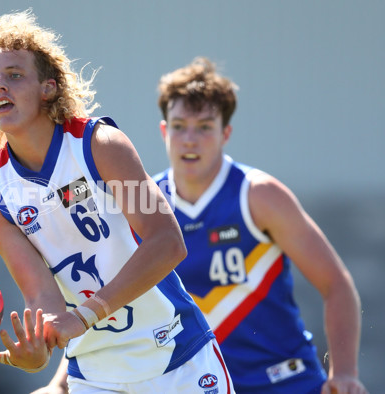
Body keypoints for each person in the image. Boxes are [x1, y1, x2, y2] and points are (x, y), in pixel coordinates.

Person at [0, 11, 234, 393]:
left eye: (13, 75)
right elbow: (42, 295)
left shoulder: (101, 145)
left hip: (177, 356)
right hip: (93, 377)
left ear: (48, 88)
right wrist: (38, 354)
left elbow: (168, 243)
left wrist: (86, 316)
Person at [151, 57, 367, 393]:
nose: (190, 139)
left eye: (205, 127)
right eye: (179, 126)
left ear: (226, 133)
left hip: (285, 382)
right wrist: (63, 383)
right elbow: (107, 298)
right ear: (164, 131)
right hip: (195, 386)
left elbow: (336, 284)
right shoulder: (147, 204)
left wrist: (345, 374)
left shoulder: (259, 195)